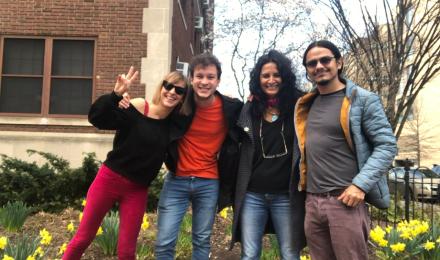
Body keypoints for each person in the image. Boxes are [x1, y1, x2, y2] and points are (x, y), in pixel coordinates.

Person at [63, 68, 188, 260]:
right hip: (109, 179)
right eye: (168, 86)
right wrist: (115, 95)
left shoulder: (175, 125)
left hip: (137, 190)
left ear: (182, 98)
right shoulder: (138, 106)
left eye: (179, 91)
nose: (172, 92)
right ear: (161, 87)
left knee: (127, 252)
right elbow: (98, 119)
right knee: (82, 238)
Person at [295, 40, 397, 260]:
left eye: (325, 60)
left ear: (339, 62)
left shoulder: (362, 100)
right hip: (313, 202)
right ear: (307, 70)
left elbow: (387, 145)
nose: (319, 66)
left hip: (345, 202)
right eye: (312, 63)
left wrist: (360, 185)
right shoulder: (305, 104)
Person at [154, 53, 243, 260]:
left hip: (209, 182)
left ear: (218, 80)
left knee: (202, 240)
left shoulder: (231, 108)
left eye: (210, 77)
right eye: (200, 76)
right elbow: (154, 112)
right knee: (164, 241)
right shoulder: (179, 104)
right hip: (176, 180)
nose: (204, 82)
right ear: (191, 79)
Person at [230, 50, 306, 260]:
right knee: (250, 254)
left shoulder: (299, 107)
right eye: (265, 76)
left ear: (285, 78)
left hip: (286, 195)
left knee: (290, 254)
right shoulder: (249, 109)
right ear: (258, 79)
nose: (271, 80)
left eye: (276, 75)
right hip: (252, 195)